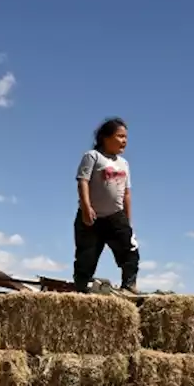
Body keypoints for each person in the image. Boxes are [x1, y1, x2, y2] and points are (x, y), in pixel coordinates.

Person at [73, 117, 139, 293]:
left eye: (126, 137)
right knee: (86, 257)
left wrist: (128, 221)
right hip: (91, 218)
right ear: (105, 137)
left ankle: (129, 285)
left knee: (130, 251)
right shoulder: (92, 156)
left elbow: (127, 193)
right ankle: (82, 289)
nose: (124, 140)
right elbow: (83, 182)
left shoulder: (124, 163)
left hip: (115, 217)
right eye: (120, 136)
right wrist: (87, 208)